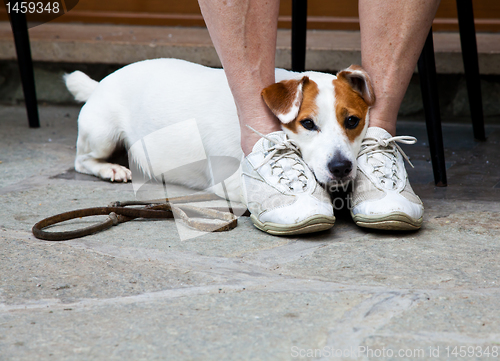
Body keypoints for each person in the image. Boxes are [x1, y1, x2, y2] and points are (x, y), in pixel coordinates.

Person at [198, 0, 441, 234]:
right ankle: (260, 148)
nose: (340, 161)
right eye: (309, 124)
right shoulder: (284, 95)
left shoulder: (344, 91)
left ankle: (379, 140)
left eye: (351, 122)